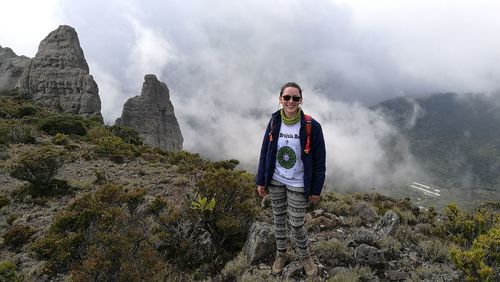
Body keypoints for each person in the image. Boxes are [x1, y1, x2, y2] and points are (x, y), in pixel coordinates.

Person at [256, 82, 326, 277]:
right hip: (276, 179)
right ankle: (281, 254)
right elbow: (265, 152)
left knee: (296, 223)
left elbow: (320, 160)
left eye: (295, 98)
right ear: (280, 99)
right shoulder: (274, 122)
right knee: (278, 219)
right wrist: (261, 180)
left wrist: (315, 189)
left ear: (301, 100)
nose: (291, 101)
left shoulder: (312, 126)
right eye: (287, 97)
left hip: (298, 182)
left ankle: (305, 257)